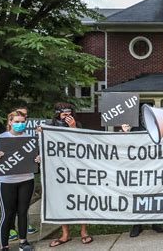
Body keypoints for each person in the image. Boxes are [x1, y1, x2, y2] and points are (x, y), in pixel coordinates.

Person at [0, 110, 37, 251]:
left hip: (27, 180)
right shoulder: (0, 138)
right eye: (16, 122)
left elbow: (35, 158)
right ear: (10, 122)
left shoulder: (29, 138)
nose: (20, 124)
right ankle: (4, 246)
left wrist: (38, 159)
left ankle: (23, 242)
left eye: (22, 122)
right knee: (7, 214)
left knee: (23, 212)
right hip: (6, 182)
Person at [48, 103, 93, 247]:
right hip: (58, 168)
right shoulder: (51, 126)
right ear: (58, 114)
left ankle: (84, 232)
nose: (67, 117)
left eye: (69, 114)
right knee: (62, 200)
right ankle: (65, 234)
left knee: (80, 198)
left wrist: (73, 127)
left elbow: (83, 143)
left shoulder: (77, 124)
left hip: (76, 167)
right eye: (64, 114)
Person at [120, 123, 163, 238]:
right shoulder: (131, 126)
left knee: (153, 192)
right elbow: (123, 146)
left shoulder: (154, 125)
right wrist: (125, 134)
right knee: (137, 194)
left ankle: (155, 222)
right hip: (136, 165)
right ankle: (137, 224)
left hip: (151, 164)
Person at [7, 107, 38, 241]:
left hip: (26, 177)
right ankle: (11, 229)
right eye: (20, 118)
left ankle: (23, 235)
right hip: (9, 179)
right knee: (10, 208)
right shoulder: (4, 136)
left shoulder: (29, 136)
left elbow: (35, 152)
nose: (23, 121)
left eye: (25, 117)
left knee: (23, 208)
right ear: (11, 120)